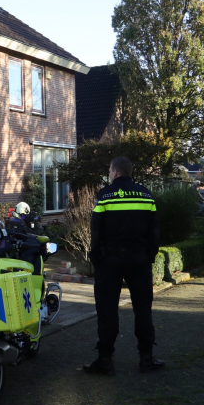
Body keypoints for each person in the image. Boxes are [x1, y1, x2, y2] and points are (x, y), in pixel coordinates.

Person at [84, 156, 165, 375]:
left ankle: (105, 360)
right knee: (142, 309)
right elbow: (154, 230)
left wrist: (96, 257)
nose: (109, 174)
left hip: (109, 261)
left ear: (115, 173)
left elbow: (96, 230)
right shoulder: (146, 195)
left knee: (107, 309)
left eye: (110, 171)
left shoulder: (105, 195)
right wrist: (150, 255)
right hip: (139, 259)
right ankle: (146, 358)